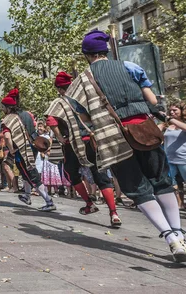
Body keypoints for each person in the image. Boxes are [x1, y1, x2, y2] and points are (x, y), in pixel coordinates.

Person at [65, 29, 185, 262]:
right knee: (161, 182)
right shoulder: (129, 67)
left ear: (86, 55)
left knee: (138, 189)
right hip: (144, 130)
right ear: (106, 50)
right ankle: (180, 232)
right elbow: (151, 100)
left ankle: (170, 238)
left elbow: (86, 118)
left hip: (114, 138)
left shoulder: (81, 81)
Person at [46, 71, 121, 227]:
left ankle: (89, 203)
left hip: (73, 143)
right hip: (91, 140)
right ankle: (113, 213)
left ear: (59, 89)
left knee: (71, 172)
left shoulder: (59, 102)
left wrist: (61, 138)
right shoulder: (83, 99)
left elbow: (51, 121)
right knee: (100, 174)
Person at [0, 89, 56, 211]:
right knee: (27, 172)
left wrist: (11, 149)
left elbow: (7, 136)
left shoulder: (10, 118)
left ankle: (48, 201)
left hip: (22, 148)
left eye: (3, 107)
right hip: (33, 145)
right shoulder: (27, 114)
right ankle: (26, 195)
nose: (2, 109)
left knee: (31, 174)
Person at [163, 102, 186, 210]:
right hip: (169, 160)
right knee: (172, 183)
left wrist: (169, 119)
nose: (172, 112)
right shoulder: (167, 125)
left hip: (183, 160)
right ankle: (179, 204)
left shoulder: (183, 124)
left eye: (175, 110)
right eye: (170, 110)